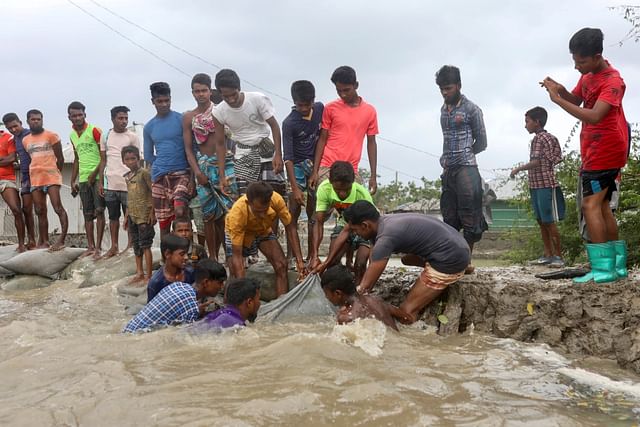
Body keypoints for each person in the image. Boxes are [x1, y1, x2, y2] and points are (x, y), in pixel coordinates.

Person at [541, 28, 629, 283]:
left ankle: (602, 270)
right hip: (595, 149)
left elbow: (594, 115)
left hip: (605, 151)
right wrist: (559, 89)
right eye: (574, 60)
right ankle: (617, 266)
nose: (577, 66)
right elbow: (578, 100)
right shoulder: (590, 75)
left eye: (581, 61)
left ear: (597, 56)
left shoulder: (612, 82)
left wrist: (557, 101)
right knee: (602, 205)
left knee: (589, 205)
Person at [340, 200, 470, 324]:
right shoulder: (383, 222)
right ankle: (463, 267)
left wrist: (356, 304)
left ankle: (454, 270)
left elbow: (365, 288)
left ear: (365, 225)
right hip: (460, 247)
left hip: (450, 258)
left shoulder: (386, 238)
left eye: (354, 230)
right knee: (406, 259)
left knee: (406, 312)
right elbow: (373, 261)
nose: (355, 234)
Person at [435, 65, 488, 274]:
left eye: (448, 88)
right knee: (449, 216)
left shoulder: (472, 109)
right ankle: (452, 260)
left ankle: (466, 261)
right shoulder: (443, 110)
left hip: (466, 167)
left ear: (458, 85)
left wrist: (465, 154)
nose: (445, 92)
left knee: (470, 215)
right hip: (448, 168)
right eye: (442, 89)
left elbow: (482, 141)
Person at [183, 73, 237, 261]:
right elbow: (188, 149)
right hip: (203, 164)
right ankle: (213, 258)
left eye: (204, 90)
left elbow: (226, 141)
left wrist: (221, 172)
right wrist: (197, 172)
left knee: (228, 212)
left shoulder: (220, 111)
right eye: (197, 91)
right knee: (208, 216)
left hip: (225, 164)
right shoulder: (189, 117)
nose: (201, 94)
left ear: (210, 91)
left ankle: (231, 255)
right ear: (192, 93)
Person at [211, 68, 285, 197]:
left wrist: (278, 154)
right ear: (220, 94)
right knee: (248, 202)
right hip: (243, 157)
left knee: (274, 200)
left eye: (233, 94)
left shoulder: (258, 99)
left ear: (239, 88)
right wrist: (222, 175)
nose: (231, 99)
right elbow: (220, 144)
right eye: (226, 96)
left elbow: (274, 126)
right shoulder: (219, 112)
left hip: (267, 153)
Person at [225, 182, 305, 297]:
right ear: (249, 203)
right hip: (240, 233)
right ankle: (233, 307)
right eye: (258, 211)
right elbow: (237, 257)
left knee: (281, 265)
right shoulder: (237, 214)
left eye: (265, 210)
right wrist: (243, 289)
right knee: (235, 274)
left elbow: (290, 228)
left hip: (263, 230)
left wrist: (299, 260)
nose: (262, 215)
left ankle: (280, 305)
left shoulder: (276, 199)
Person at [308, 66, 378, 195]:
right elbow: (322, 139)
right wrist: (315, 171)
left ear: (356, 85)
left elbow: (371, 143)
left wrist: (373, 175)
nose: (343, 94)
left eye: (347, 90)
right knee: (324, 206)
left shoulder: (370, 111)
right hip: (327, 166)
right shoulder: (330, 108)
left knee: (353, 208)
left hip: (351, 169)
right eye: (338, 91)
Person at [510, 107, 565, 268]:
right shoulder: (550, 138)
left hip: (543, 184)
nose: (525, 125)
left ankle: (558, 256)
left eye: (527, 121)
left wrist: (518, 169)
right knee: (542, 220)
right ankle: (548, 254)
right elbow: (556, 158)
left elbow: (536, 162)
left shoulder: (539, 139)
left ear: (537, 122)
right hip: (539, 183)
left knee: (547, 220)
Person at [309, 161, 374, 284]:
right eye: (338, 189)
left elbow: (373, 228)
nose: (342, 193)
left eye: (346, 189)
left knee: (360, 265)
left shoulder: (362, 194)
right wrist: (315, 256)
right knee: (333, 261)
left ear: (353, 182)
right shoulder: (324, 189)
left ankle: (359, 295)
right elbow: (319, 223)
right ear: (330, 182)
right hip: (345, 224)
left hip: (365, 229)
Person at [123, 259, 227, 333]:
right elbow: (183, 337)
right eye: (220, 282)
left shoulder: (180, 286)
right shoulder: (190, 306)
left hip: (128, 330)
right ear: (206, 282)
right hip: (137, 336)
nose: (222, 286)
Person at [282, 80, 323, 261]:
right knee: (293, 211)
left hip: (314, 165)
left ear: (313, 100)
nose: (305, 108)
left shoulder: (320, 109)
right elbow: (288, 157)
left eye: (308, 104)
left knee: (314, 213)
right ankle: (293, 256)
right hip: (296, 167)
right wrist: (295, 187)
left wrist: (315, 171)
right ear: (294, 102)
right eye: (300, 105)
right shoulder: (289, 123)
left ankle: (311, 255)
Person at [143, 82, 191, 237]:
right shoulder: (149, 127)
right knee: (164, 224)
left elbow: (191, 148)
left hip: (181, 173)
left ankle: (185, 254)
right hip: (159, 176)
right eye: (160, 101)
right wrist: (163, 162)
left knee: (180, 212)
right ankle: (168, 257)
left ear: (171, 99)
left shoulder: (181, 119)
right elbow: (149, 155)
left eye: (167, 101)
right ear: (153, 101)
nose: (164, 104)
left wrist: (192, 177)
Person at [22, 109, 68, 250]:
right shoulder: (26, 140)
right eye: (33, 119)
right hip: (35, 179)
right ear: (28, 121)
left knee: (57, 207)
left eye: (38, 119)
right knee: (40, 210)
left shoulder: (51, 135)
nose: (36, 121)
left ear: (42, 120)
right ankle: (44, 242)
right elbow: (32, 158)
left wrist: (55, 172)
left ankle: (61, 240)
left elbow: (60, 158)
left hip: (51, 177)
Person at [98, 106, 139, 258]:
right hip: (110, 183)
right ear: (113, 119)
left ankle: (130, 246)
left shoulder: (132, 136)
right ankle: (114, 246)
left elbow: (137, 161)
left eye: (126, 118)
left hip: (128, 184)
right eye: (120, 118)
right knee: (113, 217)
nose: (123, 121)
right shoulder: (106, 135)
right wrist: (101, 182)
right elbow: (103, 160)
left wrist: (136, 182)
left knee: (131, 217)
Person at [68, 101, 105, 258]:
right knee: (88, 213)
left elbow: (104, 156)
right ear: (69, 117)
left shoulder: (95, 131)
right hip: (83, 179)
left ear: (85, 114)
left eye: (80, 115)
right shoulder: (71, 135)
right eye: (74, 115)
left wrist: (94, 174)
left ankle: (98, 248)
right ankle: (90, 247)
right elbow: (76, 158)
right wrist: (72, 180)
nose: (77, 118)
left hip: (97, 177)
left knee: (100, 211)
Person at [321, 265, 399, 331]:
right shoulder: (376, 300)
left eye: (326, 294)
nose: (326, 297)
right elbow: (407, 318)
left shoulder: (346, 318)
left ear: (337, 293)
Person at [2, 113, 36, 250]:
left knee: (36, 209)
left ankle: (35, 241)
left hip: (35, 175)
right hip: (25, 177)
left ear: (21, 122)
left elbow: (11, 158)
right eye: (10, 128)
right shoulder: (15, 138)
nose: (14, 130)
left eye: (15, 126)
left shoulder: (29, 134)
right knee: (27, 209)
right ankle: (30, 241)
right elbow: (17, 159)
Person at [123, 145, 155, 285]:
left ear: (138, 159)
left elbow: (153, 192)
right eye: (127, 159)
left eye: (133, 159)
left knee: (145, 245)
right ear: (123, 161)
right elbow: (129, 197)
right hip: (133, 216)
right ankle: (139, 272)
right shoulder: (128, 177)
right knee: (136, 245)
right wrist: (126, 216)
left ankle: (148, 275)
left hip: (144, 215)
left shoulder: (144, 173)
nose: (130, 162)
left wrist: (152, 212)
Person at [147, 234, 196, 302]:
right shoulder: (157, 282)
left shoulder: (190, 272)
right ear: (167, 254)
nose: (186, 257)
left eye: (187, 254)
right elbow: (152, 309)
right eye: (182, 254)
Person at [0, 128, 27, 252]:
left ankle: (21, 244)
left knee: (16, 210)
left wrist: (7, 160)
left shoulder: (8, 137)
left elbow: (11, 158)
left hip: (5, 179)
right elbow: (6, 160)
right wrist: (2, 160)